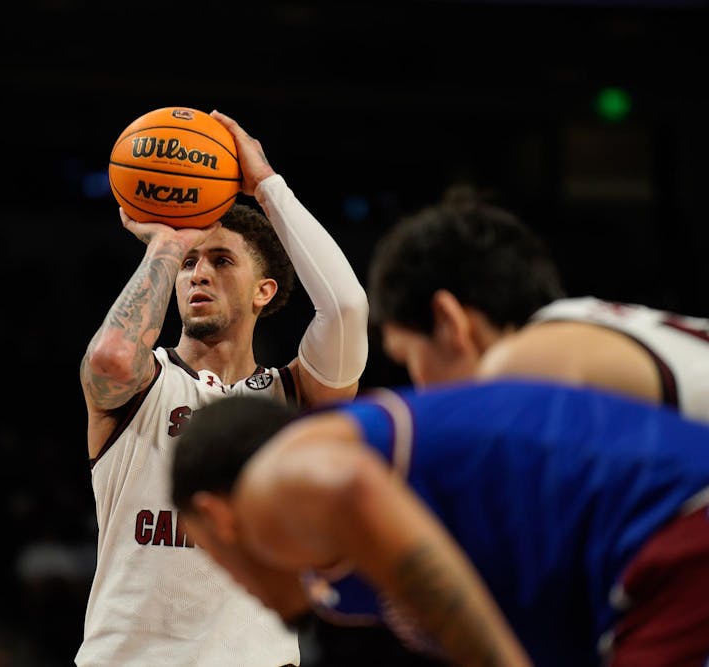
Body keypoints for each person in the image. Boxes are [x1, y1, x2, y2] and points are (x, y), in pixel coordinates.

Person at [75, 109, 368, 666]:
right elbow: (111, 359)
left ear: (265, 290)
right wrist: (165, 242)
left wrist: (266, 187)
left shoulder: (293, 399)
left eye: (219, 260)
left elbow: (348, 307)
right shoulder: (146, 384)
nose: (197, 273)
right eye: (189, 264)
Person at [171, 384, 709, 667]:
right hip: (645, 558)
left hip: (666, 521)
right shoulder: (337, 590)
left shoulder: (277, 478)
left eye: (207, 551)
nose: (228, 581)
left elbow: (349, 486)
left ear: (218, 517)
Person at [367, 185, 709, 422]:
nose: (419, 390)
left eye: (407, 360)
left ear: (448, 321)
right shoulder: (594, 327)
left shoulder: (520, 364)